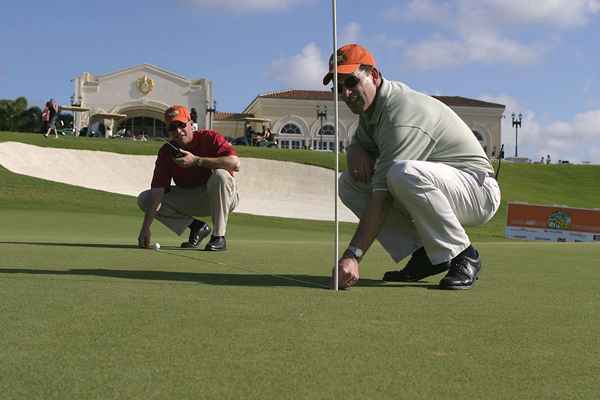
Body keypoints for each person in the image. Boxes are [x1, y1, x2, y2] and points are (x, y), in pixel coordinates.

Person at [323, 44, 501, 290]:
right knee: (349, 184)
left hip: (478, 191)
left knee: (401, 173)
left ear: (374, 76)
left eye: (351, 82)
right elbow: (360, 145)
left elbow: (382, 198)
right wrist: (354, 149)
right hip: (447, 185)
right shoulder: (371, 111)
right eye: (338, 87)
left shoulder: (402, 113)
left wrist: (353, 255)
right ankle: (426, 254)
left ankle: (464, 254)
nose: (345, 93)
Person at [137, 105, 240, 251]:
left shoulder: (209, 138)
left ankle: (218, 237)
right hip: (190, 197)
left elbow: (235, 164)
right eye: (172, 127)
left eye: (181, 125)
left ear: (191, 124)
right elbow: (158, 191)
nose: (178, 131)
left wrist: (197, 160)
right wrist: (145, 228)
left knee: (220, 175)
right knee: (145, 199)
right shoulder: (167, 151)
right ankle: (197, 227)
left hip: (221, 197)